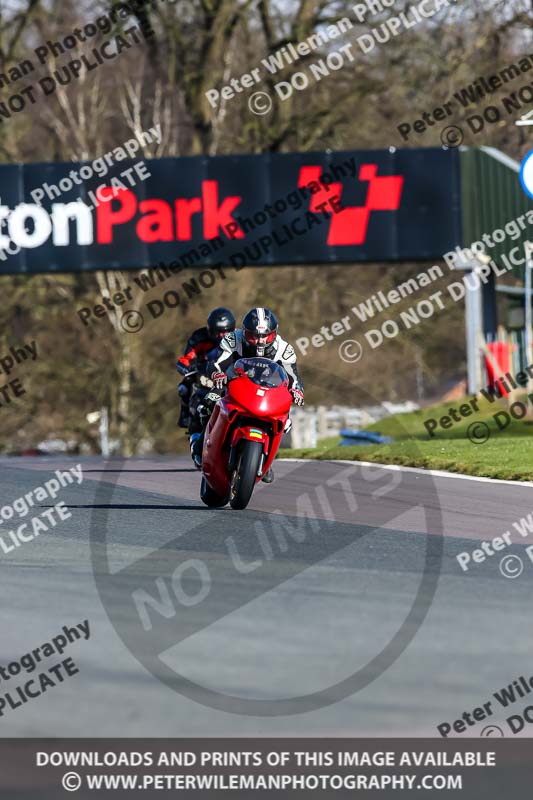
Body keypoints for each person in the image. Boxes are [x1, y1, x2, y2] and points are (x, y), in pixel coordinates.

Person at [205, 307, 304, 482]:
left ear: (274, 333)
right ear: (244, 332)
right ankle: (207, 445)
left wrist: (297, 390)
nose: (260, 341)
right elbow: (216, 363)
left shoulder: (284, 349)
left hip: (267, 392)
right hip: (234, 382)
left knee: (286, 422)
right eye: (254, 336)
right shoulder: (232, 339)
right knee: (208, 402)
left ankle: (266, 461)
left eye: (265, 336)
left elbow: (294, 377)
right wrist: (217, 374)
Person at [176, 307, 236, 430]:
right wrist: (185, 367)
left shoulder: (239, 338)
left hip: (229, 375)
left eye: (225, 332)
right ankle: (185, 414)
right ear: (209, 329)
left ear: (232, 329)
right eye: (217, 332)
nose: (221, 336)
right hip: (204, 375)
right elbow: (187, 357)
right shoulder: (199, 337)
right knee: (183, 387)